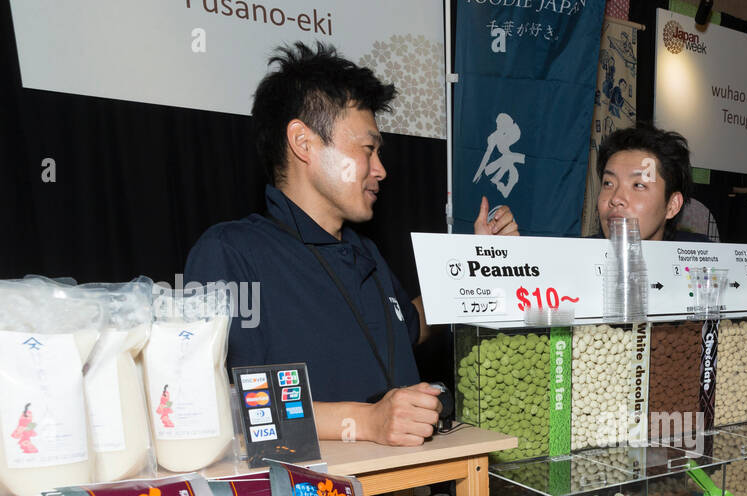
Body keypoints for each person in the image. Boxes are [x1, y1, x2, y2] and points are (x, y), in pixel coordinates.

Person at [185, 42, 516, 447]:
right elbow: (230, 405)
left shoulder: (365, 251)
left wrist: (474, 261)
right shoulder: (231, 252)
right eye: (367, 149)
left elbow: (412, 326)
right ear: (303, 143)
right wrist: (366, 422)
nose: (380, 169)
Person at [592, 125, 708, 242]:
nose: (616, 199)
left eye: (638, 185)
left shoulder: (702, 256)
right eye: (608, 183)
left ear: (672, 205)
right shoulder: (576, 255)